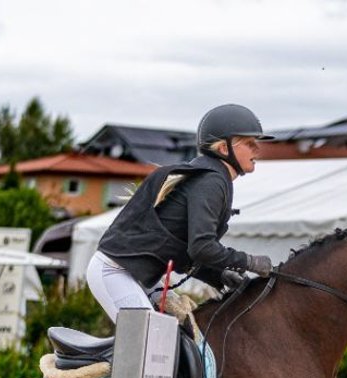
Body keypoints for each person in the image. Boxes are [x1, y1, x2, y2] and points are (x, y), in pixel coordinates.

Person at [87, 103, 275, 322]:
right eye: (249, 143)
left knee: (185, 330)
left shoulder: (215, 178)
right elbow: (202, 248)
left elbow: (183, 252)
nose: (258, 150)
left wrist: (218, 275)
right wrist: (249, 261)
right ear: (224, 149)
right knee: (151, 339)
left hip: (138, 275)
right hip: (114, 272)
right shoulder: (212, 181)